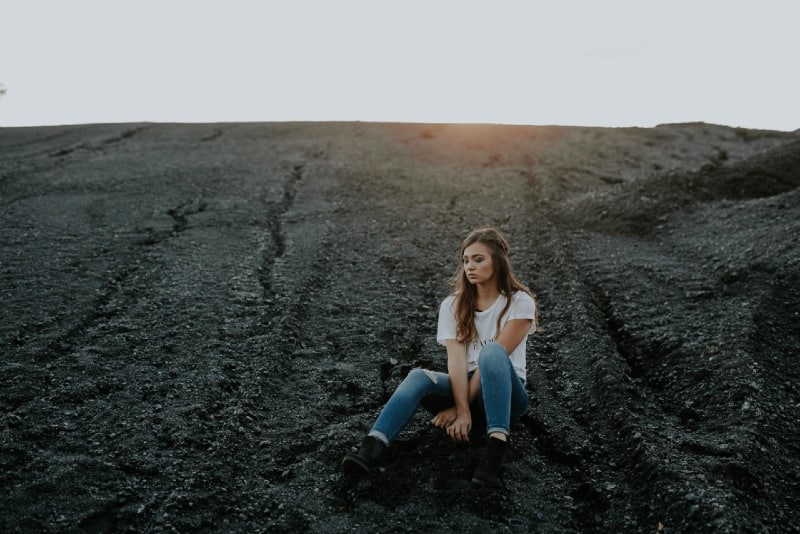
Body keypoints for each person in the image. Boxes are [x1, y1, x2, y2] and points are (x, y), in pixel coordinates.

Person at [342, 227, 539, 486]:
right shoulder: (453, 305)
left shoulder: (520, 302)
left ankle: (494, 452)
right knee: (418, 377)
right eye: (466, 260)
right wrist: (463, 410)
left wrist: (459, 410)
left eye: (478, 259)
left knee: (491, 353)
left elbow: (492, 362)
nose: (470, 266)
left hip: (506, 393)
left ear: (498, 262)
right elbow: (456, 362)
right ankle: (373, 446)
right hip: (466, 387)